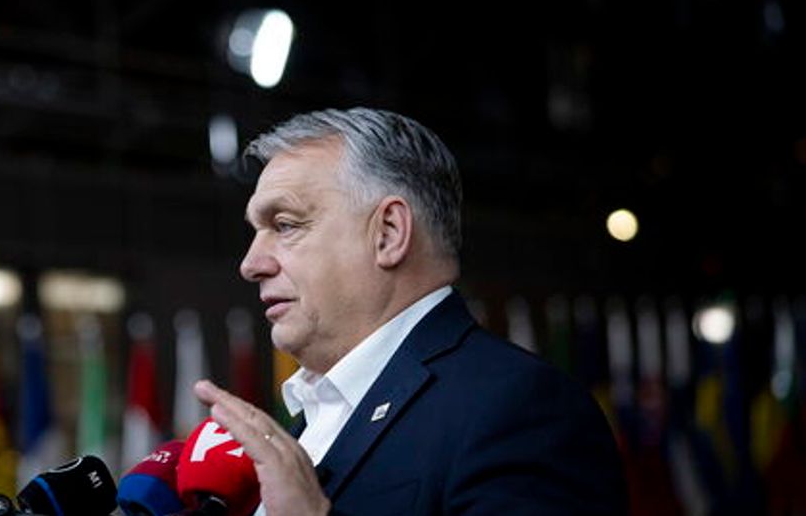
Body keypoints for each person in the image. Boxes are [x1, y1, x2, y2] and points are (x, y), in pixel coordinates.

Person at [194, 107, 627, 515]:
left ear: (388, 233)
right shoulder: (306, 423)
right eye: (256, 232)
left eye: (285, 225)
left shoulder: (524, 409)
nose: (251, 265)